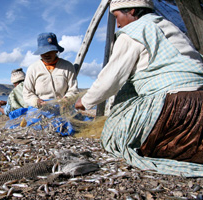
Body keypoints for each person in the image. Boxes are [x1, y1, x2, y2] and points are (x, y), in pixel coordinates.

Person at [75, 0, 203, 176]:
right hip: (200, 103)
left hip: (177, 109)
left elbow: (111, 79)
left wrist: (85, 101)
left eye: (117, 16)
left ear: (132, 10)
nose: (118, 23)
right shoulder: (170, 28)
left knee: (115, 138)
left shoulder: (132, 33)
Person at [23, 32, 78, 108]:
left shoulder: (67, 66)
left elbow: (73, 90)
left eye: (50, 51)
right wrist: (36, 101)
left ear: (56, 51)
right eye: (43, 52)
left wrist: (67, 99)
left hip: (62, 107)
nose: (46, 54)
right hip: (39, 109)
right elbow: (27, 93)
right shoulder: (33, 68)